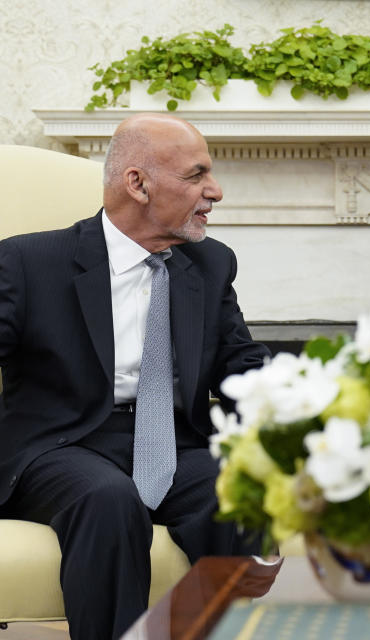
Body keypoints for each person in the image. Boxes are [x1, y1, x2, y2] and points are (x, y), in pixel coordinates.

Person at [0, 113, 271, 639]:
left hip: (172, 441)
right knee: (108, 498)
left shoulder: (210, 264)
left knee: (239, 490)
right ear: (138, 184)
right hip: (60, 443)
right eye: (196, 176)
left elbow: (241, 363)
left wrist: (298, 410)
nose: (215, 192)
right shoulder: (30, 262)